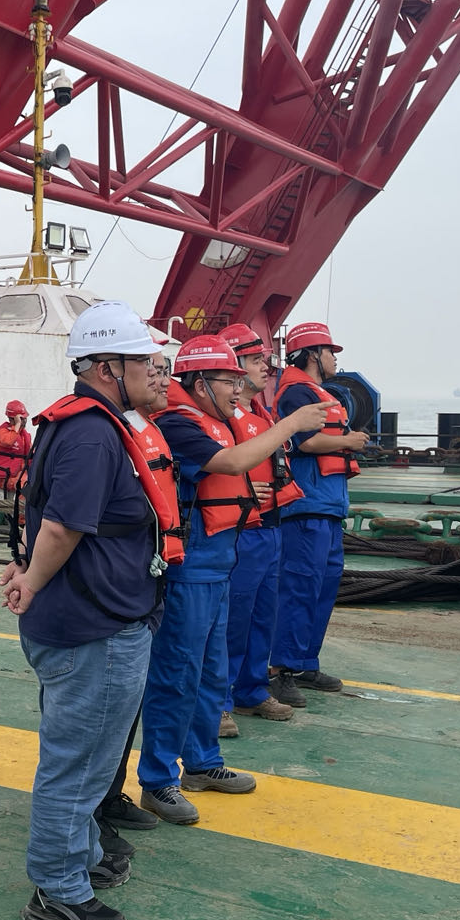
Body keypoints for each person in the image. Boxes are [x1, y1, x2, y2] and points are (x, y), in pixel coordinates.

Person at [1, 302, 177, 920]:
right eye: (143, 360)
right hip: (92, 630)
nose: (156, 370)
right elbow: (61, 526)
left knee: (88, 759)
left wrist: (28, 571)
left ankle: (83, 856)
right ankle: (58, 891)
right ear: (107, 368)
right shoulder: (93, 434)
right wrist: (30, 582)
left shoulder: (90, 424)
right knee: (78, 768)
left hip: (94, 621)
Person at [135, 336, 325, 826]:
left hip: (220, 565)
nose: (239, 390)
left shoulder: (219, 423)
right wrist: (291, 424)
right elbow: (230, 464)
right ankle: (158, 780)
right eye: (229, 380)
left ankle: (202, 763)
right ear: (201, 384)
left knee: (211, 673)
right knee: (176, 675)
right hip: (190, 571)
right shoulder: (179, 424)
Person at [96, 344, 182, 833]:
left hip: (150, 579)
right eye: (151, 369)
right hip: (118, 588)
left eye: (164, 370)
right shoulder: (108, 432)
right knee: (103, 708)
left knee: (127, 702)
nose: (160, 379)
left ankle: (110, 795)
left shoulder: (150, 429)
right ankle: (93, 810)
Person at [271, 322, 368, 707]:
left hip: (326, 506)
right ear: (312, 354)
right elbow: (302, 440)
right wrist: (348, 440)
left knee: (322, 587)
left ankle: (305, 662)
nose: (335, 359)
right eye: (330, 352)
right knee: (299, 587)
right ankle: (281, 670)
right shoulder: (297, 393)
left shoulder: (314, 391)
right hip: (306, 507)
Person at [215, 323, 303, 736]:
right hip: (241, 529)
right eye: (254, 360)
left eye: (264, 359)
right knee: (231, 620)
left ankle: (251, 689)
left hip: (270, 526)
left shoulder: (260, 414)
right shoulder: (222, 418)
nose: (265, 366)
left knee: (262, 616)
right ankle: (218, 700)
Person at [0, 399, 32, 491]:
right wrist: (18, 424)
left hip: (20, 475)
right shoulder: (3, 432)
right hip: (5, 478)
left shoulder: (23, 435)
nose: (25, 421)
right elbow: (8, 441)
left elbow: (31, 454)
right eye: (22, 418)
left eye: (25, 418)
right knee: (25, 485)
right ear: (13, 419)